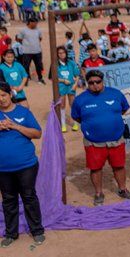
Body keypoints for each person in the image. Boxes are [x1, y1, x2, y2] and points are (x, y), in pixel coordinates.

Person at [71, 70, 130, 206]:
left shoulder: (116, 94)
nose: (95, 85)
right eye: (91, 83)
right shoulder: (80, 100)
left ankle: (123, 189)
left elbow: (123, 109)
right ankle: (99, 193)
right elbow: (76, 117)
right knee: (96, 168)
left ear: (102, 81)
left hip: (116, 139)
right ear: (87, 83)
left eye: (98, 82)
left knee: (119, 166)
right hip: (93, 142)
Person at [0, 82, 44, 248]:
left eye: (3, 95)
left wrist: (15, 126)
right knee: (8, 200)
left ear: (10, 94)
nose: (1, 99)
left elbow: (37, 133)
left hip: (26, 165)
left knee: (29, 197)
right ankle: (11, 233)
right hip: (3, 168)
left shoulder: (23, 112)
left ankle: (37, 230)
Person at [51, 46, 80, 132]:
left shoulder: (71, 63)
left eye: (63, 53)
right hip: (61, 87)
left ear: (66, 53)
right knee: (62, 105)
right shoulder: (55, 64)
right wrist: (63, 80)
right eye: (59, 53)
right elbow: (53, 78)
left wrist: (75, 84)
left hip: (71, 87)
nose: (61, 54)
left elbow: (77, 75)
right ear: (57, 54)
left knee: (72, 104)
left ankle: (75, 123)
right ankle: (63, 124)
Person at [18, 18, 44, 84]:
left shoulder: (38, 30)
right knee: (26, 66)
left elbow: (40, 38)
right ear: (30, 22)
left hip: (37, 51)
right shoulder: (23, 30)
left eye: (36, 23)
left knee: (39, 65)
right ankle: (26, 79)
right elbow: (19, 39)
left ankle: (40, 78)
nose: (36, 24)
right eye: (35, 23)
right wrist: (26, 45)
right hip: (27, 52)